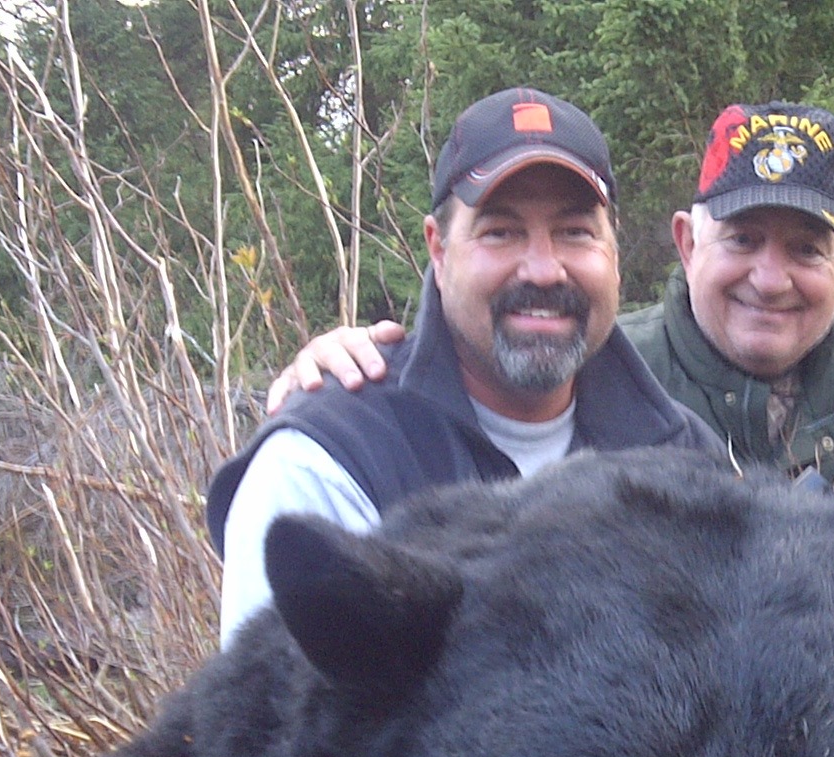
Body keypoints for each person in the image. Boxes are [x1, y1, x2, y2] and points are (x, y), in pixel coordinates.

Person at [272, 102, 834, 533]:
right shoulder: (627, 382)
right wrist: (330, 402)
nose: (770, 278)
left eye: (806, 249)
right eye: (744, 240)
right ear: (687, 243)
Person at [209, 87, 720, 644]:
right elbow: (269, 719)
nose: (544, 269)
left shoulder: (685, 459)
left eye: (575, 232)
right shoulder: (327, 463)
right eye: (501, 232)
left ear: (613, 252)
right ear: (439, 248)